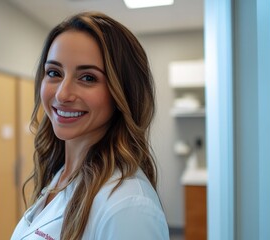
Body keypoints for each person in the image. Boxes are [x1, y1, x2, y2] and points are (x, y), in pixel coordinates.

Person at [11, 11, 169, 240]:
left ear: (122, 93)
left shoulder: (128, 207)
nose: (62, 94)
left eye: (88, 78)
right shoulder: (61, 175)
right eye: (54, 73)